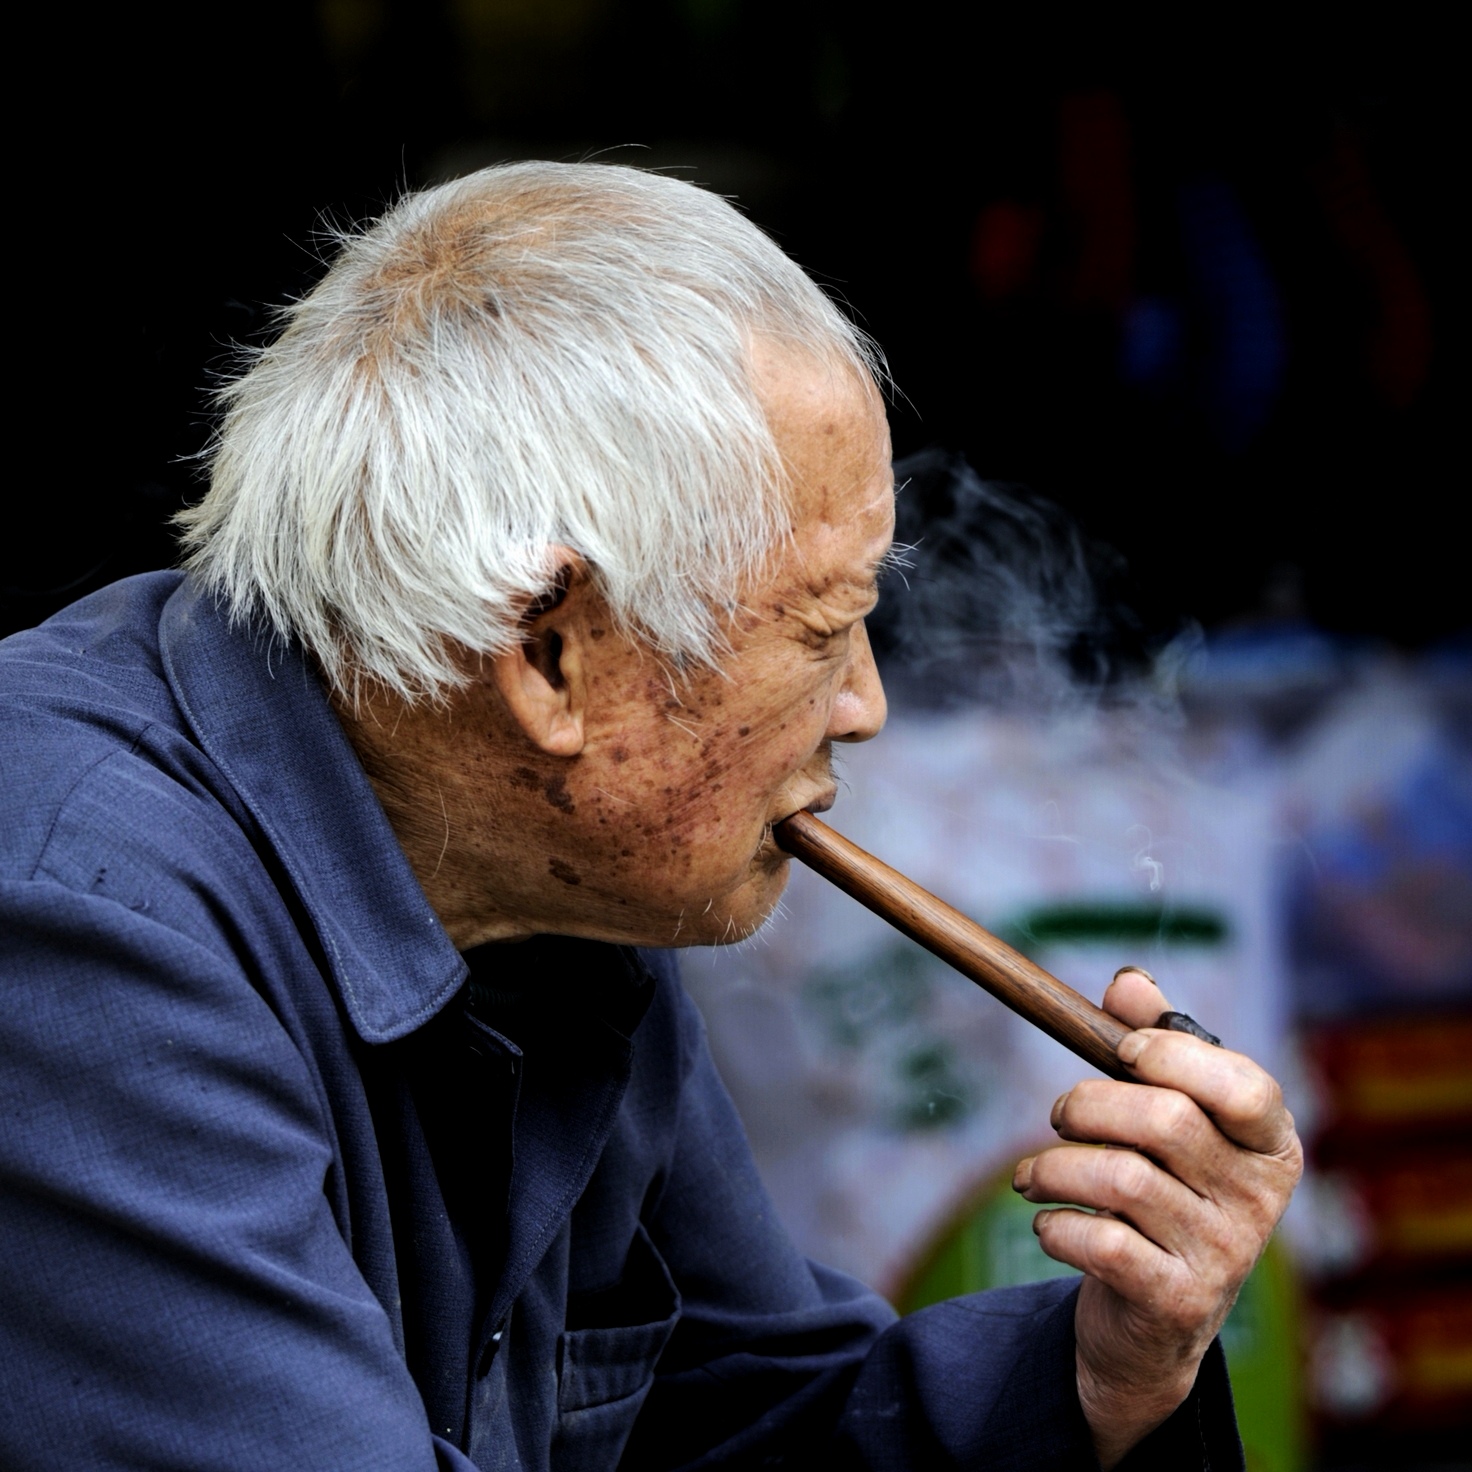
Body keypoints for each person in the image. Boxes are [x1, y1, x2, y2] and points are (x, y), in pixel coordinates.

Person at [0, 162, 1301, 1471]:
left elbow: (748, 1418)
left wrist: (1105, 1378)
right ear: (552, 656)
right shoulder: (80, 934)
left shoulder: (549, 874)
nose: (865, 705)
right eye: (822, 632)